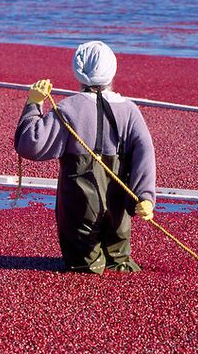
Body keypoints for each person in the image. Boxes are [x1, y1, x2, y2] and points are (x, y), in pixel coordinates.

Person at [14, 40, 156, 274]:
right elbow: (144, 153)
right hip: (119, 207)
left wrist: (34, 103)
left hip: (79, 206)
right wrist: (145, 197)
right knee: (119, 263)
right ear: (113, 70)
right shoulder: (129, 110)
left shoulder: (69, 108)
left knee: (83, 268)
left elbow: (30, 145)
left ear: (79, 72)